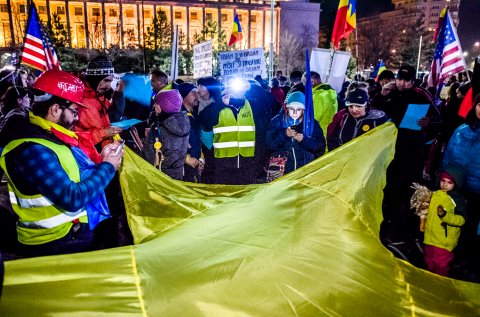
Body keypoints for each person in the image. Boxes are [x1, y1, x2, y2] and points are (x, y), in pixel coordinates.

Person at [0, 69, 123, 257]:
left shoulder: (49, 135)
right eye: (73, 111)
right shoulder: (31, 148)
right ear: (55, 109)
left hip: (65, 236)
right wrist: (107, 167)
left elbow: (72, 176)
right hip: (54, 242)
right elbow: (72, 197)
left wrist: (100, 160)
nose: (76, 117)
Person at [375, 65, 438, 243]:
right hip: (391, 148)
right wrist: (383, 94)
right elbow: (375, 111)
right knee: (390, 185)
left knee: (410, 187)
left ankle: (407, 226)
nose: (402, 84)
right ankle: (386, 221)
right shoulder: (391, 93)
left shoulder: (421, 94)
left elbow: (438, 118)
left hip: (413, 149)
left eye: (407, 80)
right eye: (400, 80)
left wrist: (428, 122)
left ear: (413, 81)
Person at [441, 93, 480, 280]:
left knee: (471, 227)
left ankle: (470, 263)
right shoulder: (461, 130)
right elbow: (448, 155)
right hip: (457, 187)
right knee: (452, 223)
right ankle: (452, 259)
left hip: (477, 191)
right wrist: (442, 177)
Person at [200, 77, 257, 185]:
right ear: (227, 90)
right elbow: (204, 120)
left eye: (242, 90)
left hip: (247, 163)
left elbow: (260, 133)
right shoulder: (217, 106)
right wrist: (220, 104)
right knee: (224, 196)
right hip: (223, 163)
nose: (238, 94)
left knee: (244, 196)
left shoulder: (250, 106)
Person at [265, 92, 325, 181]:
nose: (295, 112)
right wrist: (284, 134)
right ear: (287, 108)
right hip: (282, 172)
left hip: (305, 171)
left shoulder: (311, 124)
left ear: (303, 110)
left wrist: (304, 140)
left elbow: (320, 147)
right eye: (292, 109)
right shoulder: (277, 121)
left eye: (299, 109)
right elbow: (269, 145)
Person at [423, 169, 466, 277]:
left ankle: (441, 285)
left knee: (441, 266)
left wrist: (445, 216)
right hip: (429, 237)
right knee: (429, 262)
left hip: (444, 241)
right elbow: (426, 211)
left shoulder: (457, 200)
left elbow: (461, 220)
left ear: (456, 184)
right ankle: (429, 282)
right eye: (443, 181)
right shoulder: (434, 194)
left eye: (449, 182)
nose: (445, 185)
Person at [75, 55, 123, 148]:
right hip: (90, 156)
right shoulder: (79, 100)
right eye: (106, 81)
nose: (108, 86)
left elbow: (113, 117)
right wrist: (104, 133)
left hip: (105, 152)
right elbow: (76, 137)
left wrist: (119, 95)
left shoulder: (101, 98)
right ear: (96, 78)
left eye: (110, 81)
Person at [147, 89, 190, 180]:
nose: (154, 106)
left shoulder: (158, 128)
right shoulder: (185, 123)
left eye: (157, 103)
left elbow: (148, 156)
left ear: (163, 106)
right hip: (178, 174)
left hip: (160, 176)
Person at [197, 77, 223, 184]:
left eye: (201, 86)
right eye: (198, 86)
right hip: (201, 141)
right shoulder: (195, 102)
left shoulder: (219, 103)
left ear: (209, 88)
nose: (198, 89)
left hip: (217, 139)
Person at [177, 83, 203, 182]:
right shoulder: (177, 117)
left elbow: (198, 139)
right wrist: (187, 159)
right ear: (183, 95)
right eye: (193, 93)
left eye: (197, 93)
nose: (197, 96)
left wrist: (201, 159)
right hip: (183, 166)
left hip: (195, 164)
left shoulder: (195, 115)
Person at [310, 71, 338, 139]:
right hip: (328, 131)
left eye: (305, 84)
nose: (305, 87)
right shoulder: (330, 93)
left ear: (312, 82)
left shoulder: (319, 96)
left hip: (319, 134)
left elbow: (314, 118)